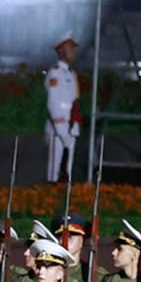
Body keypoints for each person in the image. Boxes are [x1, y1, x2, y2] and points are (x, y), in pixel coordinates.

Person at [44, 37, 80, 182]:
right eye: (71, 48)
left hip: (71, 123)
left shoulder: (71, 73)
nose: (74, 52)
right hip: (59, 125)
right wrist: (60, 129)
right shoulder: (55, 73)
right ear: (61, 51)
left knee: (67, 168)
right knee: (55, 168)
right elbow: (53, 102)